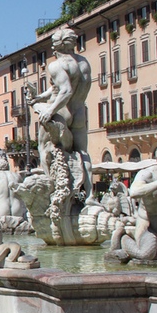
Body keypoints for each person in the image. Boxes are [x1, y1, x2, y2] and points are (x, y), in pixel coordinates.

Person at [26, 28, 94, 203]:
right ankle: (90, 195)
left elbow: (65, 90)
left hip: (61, 112)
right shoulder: (83, 63)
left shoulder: (56, 65)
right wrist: (40, 97)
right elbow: (58, 87)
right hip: (79, 111)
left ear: (55, 46)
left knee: (44, 148)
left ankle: (52, 192)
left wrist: (50, 110)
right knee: (82, 153)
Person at [110, 144, 157, 261]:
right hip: (149, 228)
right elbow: (134, 192)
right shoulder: (148, 174)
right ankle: (125, 238)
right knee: (145, 255)